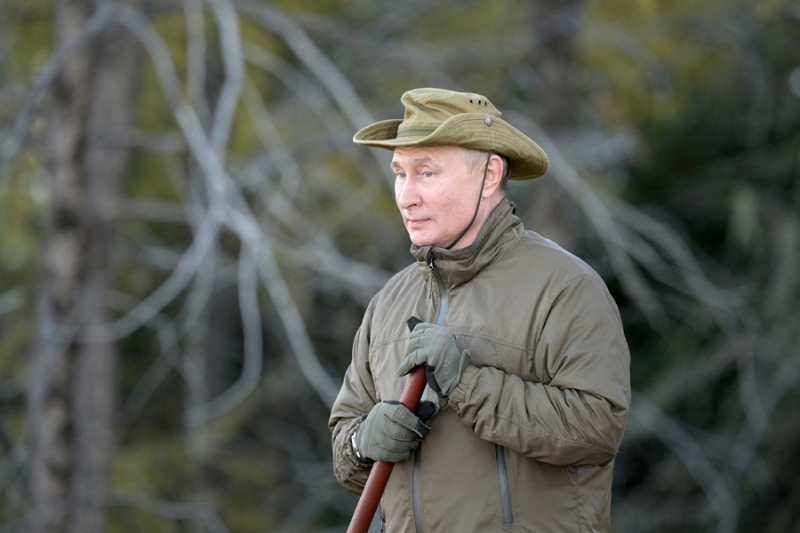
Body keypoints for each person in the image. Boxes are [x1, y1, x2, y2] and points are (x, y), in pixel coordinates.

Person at [329, 88, 630, 533]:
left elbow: (597, 429)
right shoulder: (388, 303)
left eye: (426, 172)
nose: (406, 196)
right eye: (399, 173)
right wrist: (362, 441)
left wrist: (466, 383)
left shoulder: (566, 288)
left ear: (490, 175)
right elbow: (345, 449)